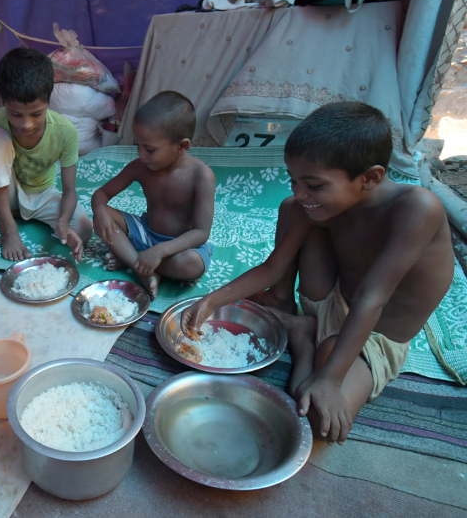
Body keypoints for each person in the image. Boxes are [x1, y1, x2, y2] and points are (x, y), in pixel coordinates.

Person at [181, 102, 454, 444]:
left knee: (315, 419)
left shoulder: (417, 209)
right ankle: (295, 317)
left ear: (370, 178)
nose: (300, 191)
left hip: (375, 334)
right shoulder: (309, 203)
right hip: (328, 299)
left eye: (313, 184)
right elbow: (272, 268)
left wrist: (330, 380)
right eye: (293, 179)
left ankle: (302, 337)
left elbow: (373, 298)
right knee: (292, 209)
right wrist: (211, 300)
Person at [0, 48, 93, 262]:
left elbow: (70, 190)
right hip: (5, 194)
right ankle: (8, 227)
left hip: (43, 195)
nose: (26, 124)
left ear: (49, 101)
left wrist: (63, 222)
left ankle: (20, 215)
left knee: (82, 228)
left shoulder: (65, 131)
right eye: (15, 114)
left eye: (37, 114)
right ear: (3, 101)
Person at [91, 91, 215, 299]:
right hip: (145, 233)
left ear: (182, 147)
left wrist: (159, 252)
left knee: (192, 266)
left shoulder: (201, 176)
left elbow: (201, 232)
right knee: (100, 219)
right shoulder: (140, 167)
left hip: (179, 246)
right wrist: (100, 210)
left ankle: (133, 260)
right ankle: (142, 267)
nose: (141, 154)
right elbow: (101, 194)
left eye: (149, 149)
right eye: (137, 145)